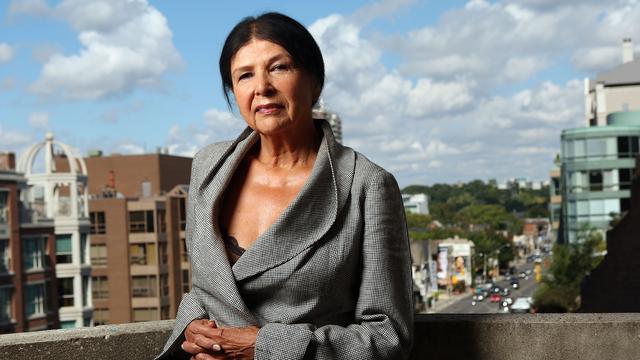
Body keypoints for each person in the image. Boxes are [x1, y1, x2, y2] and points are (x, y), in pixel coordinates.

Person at [157, 12, 413, 360]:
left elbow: (388, 335)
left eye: (279, 68)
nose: (262, 86)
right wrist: (193, 324)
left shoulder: (368, 185)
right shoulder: (208, 167)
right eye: (245, 75)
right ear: (234, 93)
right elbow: (208, 289)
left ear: (315, 82)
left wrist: (262, 348)